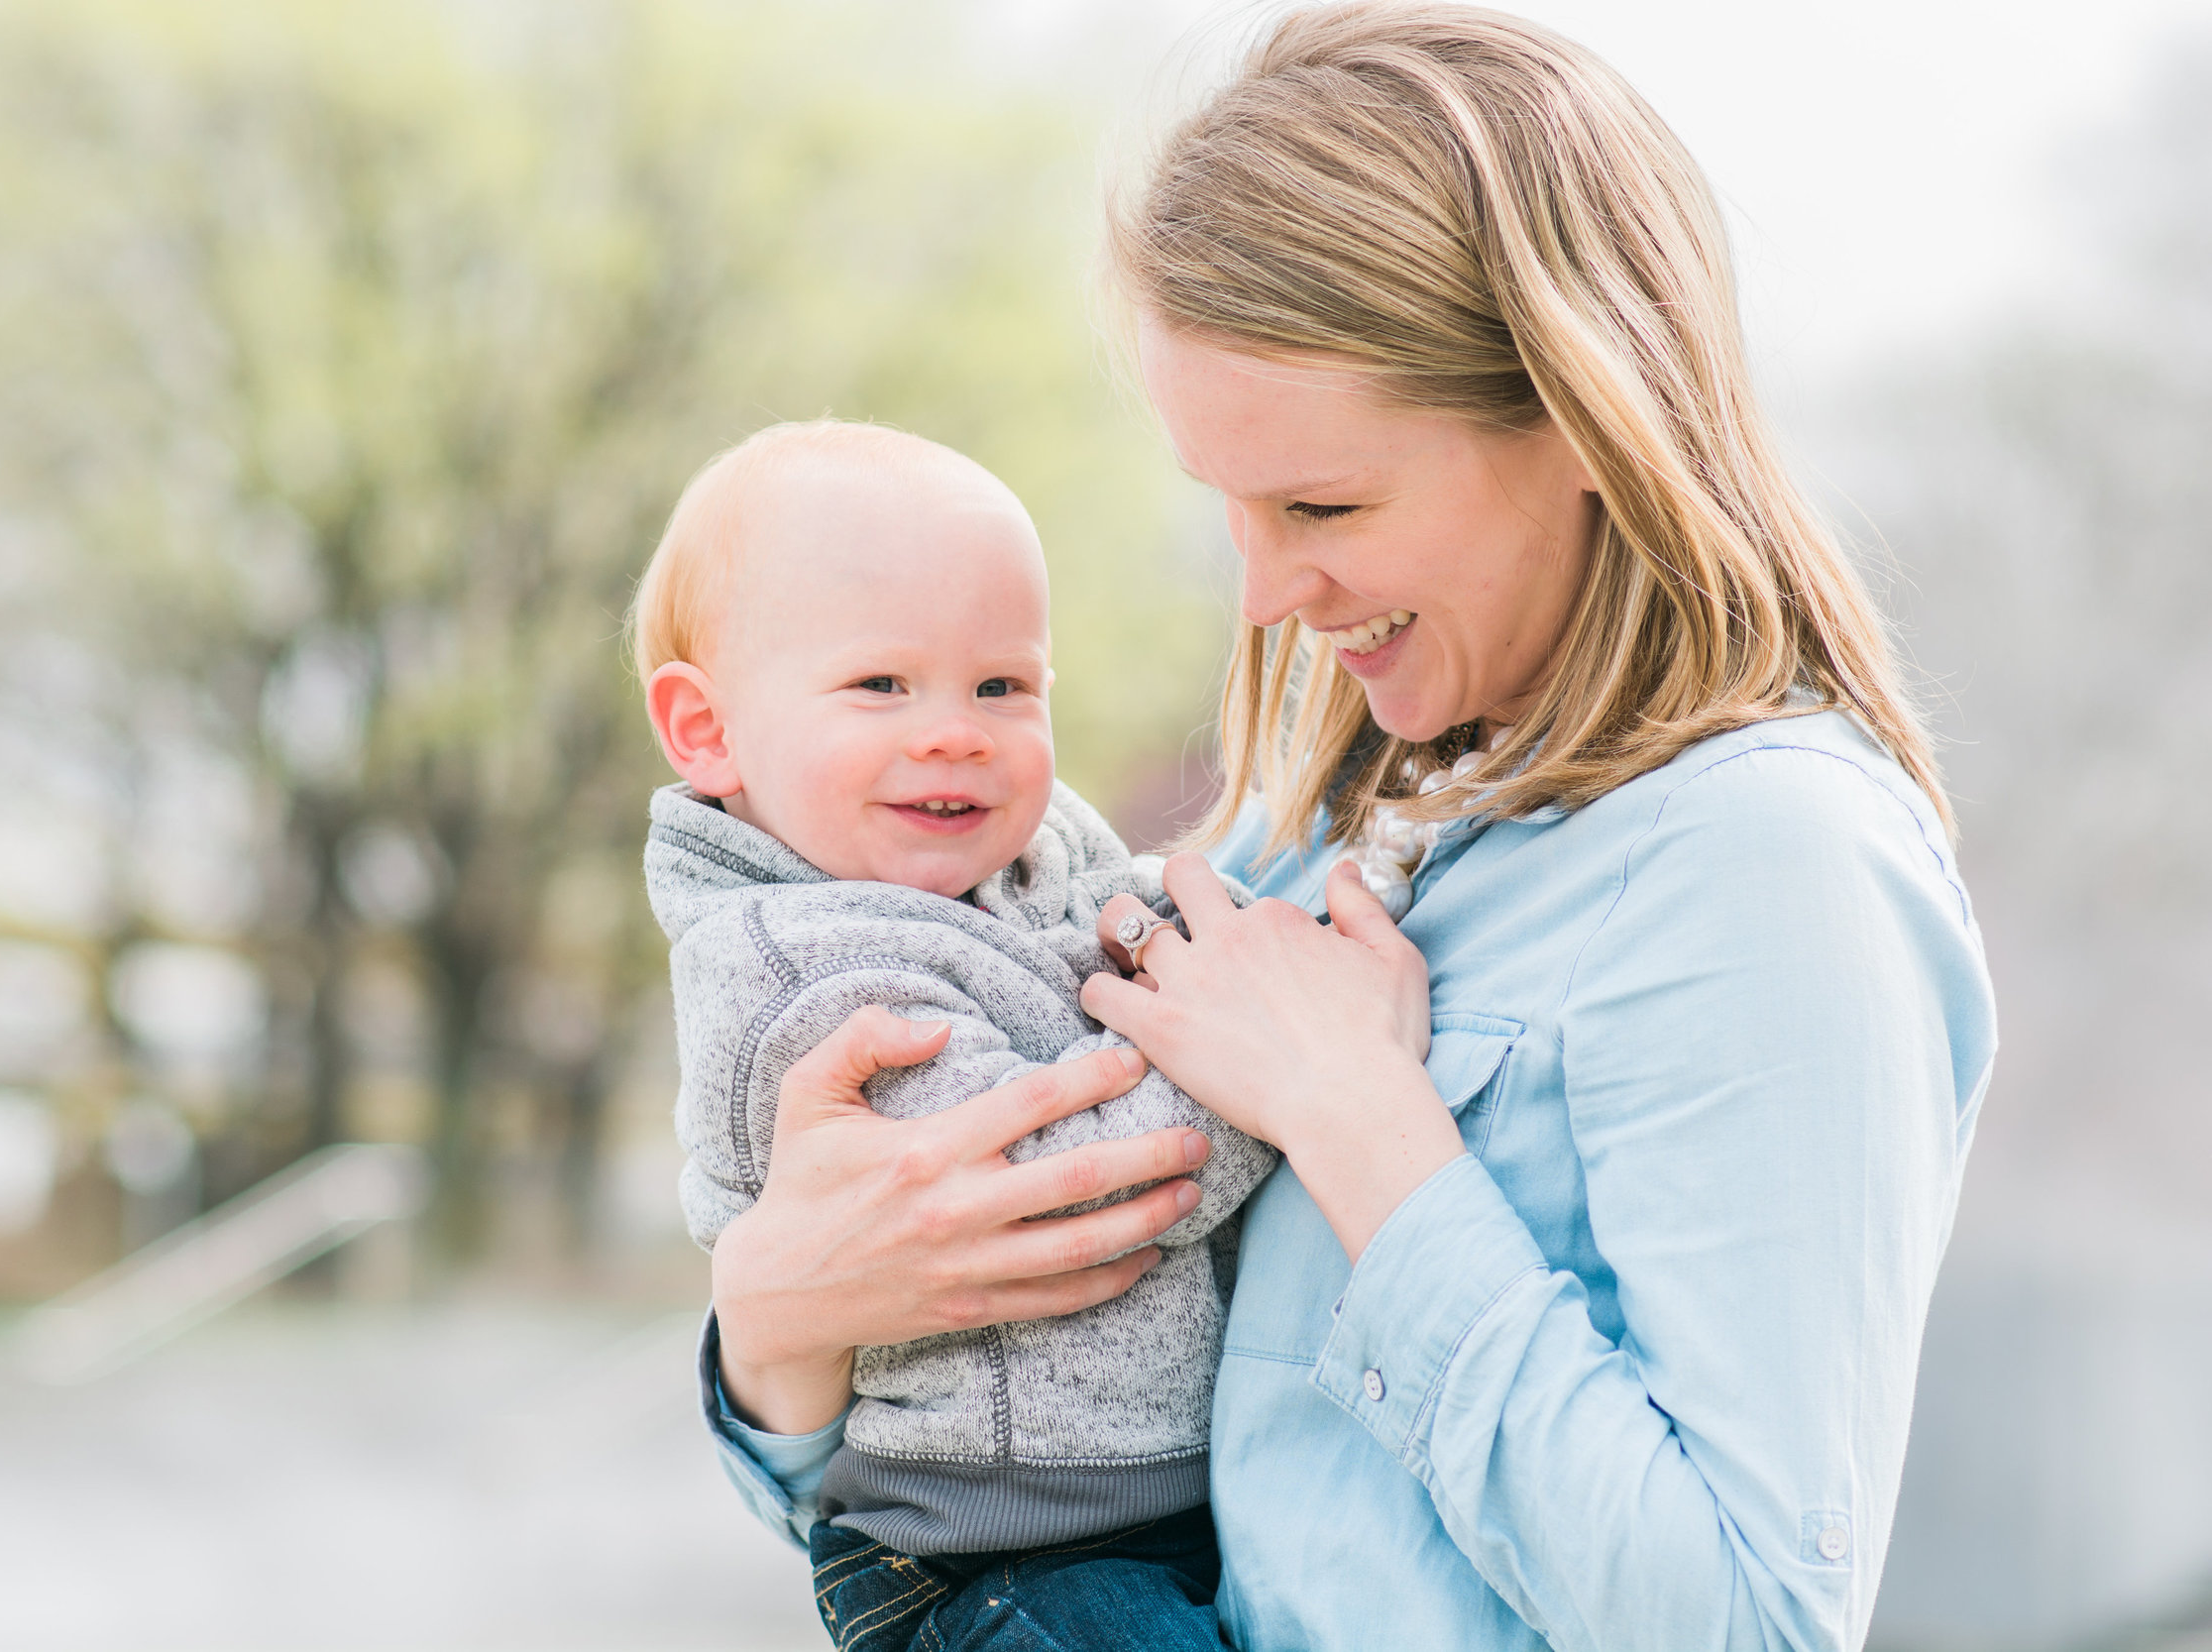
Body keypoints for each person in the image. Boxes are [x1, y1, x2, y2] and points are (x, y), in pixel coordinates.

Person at [696, 6, 1999, 1650]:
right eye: (1226, 505)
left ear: (1588, 417)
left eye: (1323, 505)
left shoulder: (1772, 870)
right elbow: (948, 1502)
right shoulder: (1310, 842)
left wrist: (1364, 1125)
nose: (1263, 593)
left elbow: (1744, 1619)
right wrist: (784, 1316)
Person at [635, 418, 1275, 1650]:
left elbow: (1148, 920)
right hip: (1000, 1555)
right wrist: (1279, 1059)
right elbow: (1056, 1192)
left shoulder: (1020, 863)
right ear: (707, 731)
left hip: (1123, 1508)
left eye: (1002, 685)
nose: (955, 730)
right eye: (881, 683)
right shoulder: (803, 970)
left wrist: (1228, 932)